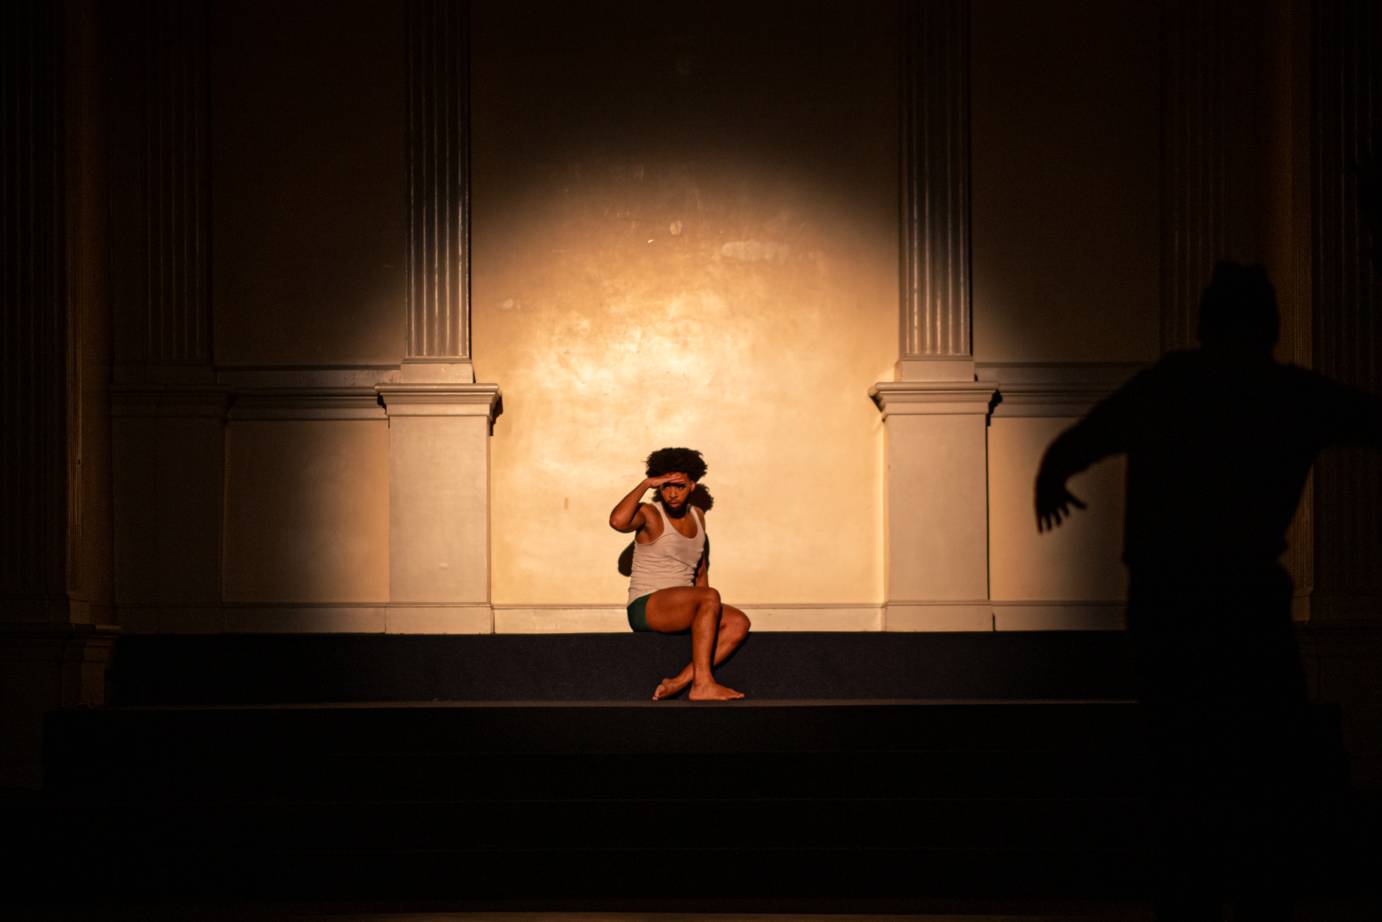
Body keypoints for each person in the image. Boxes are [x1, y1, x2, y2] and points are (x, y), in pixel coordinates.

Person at [1035, 262, 1382, 922]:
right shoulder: (1289, 395)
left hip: (1169, 603)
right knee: (1264, 769)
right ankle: (1257, 896)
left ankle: (1188, 898)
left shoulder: (1170, 386)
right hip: (1247, 599)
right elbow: (1370, 419)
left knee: (1179, 765)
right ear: (1270, 328)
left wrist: (1051, 478)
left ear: (1203, 325)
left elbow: (1079, 442)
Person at [609, 447, 750, 701]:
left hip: (684, 605)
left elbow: (700, 573)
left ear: (692, 485)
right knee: (709, 596)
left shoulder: (698, 517)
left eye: (680, 486)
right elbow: (617, 522)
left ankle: (679, 682)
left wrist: (708, 614)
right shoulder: (650, 513)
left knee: (739, 622)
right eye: (666, 486)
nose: (672, 493)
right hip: (647, 605)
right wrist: (646, 484)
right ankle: (703, 683)